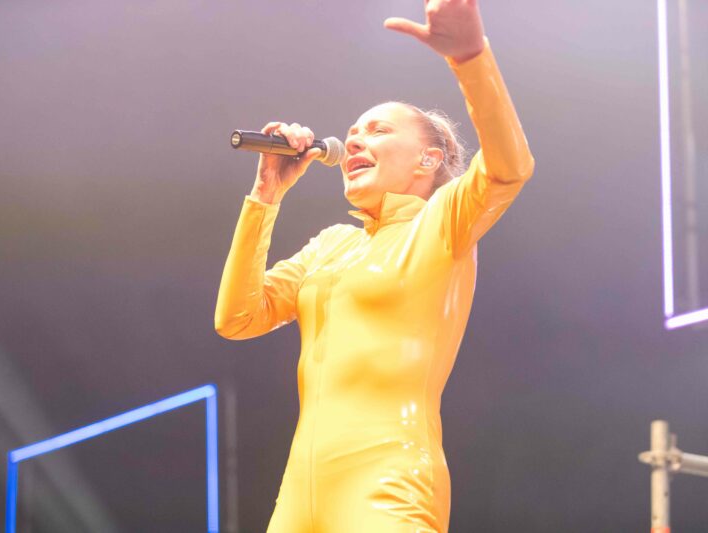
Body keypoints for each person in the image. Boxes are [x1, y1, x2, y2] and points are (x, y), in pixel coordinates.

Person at [215, 1, 534, 531]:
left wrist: (471, 59)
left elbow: (510, 169)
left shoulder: (441, 222)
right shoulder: (330, 244)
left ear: (429, 159)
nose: (356, 140)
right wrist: (266, 195)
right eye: (354, 132)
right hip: (299, 493)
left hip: (387, 477)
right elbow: (237, 318)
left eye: (379, 130)